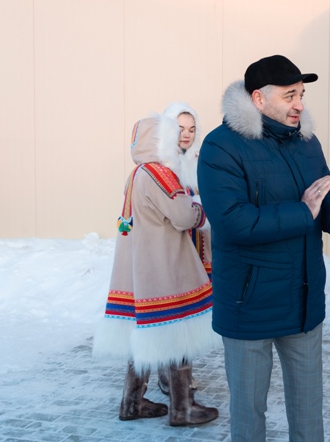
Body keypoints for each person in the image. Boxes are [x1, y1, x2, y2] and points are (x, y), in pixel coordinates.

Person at [198, 54, 330, 442]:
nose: (300, 105)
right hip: (248, 305)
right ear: (259, 99)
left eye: (302, 94)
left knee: (309, 410)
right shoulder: (220, 147)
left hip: (302, 299)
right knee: (249, 413)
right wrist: (303, 211)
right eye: (290, 95)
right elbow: (233, 221)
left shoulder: (306, 141)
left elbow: (325, 189)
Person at [93, 113, 221, 426]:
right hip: (165, 266)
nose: (177, 140)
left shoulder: (137, 173)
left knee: (146, 333)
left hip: (142, 268)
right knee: (176, 330)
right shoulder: (160, 174)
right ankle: (183, 409)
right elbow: (181, 215)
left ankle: (132, 402)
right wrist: (200, 210)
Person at [155, 102, 213, 395]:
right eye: (180, 129)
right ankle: (168, 373)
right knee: (172, 312)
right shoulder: (162, 165)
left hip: (194, 245)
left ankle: (182, 372)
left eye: (192, 129)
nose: (187, 134)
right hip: (171, 247)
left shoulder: (195, 162)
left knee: (188, 313)